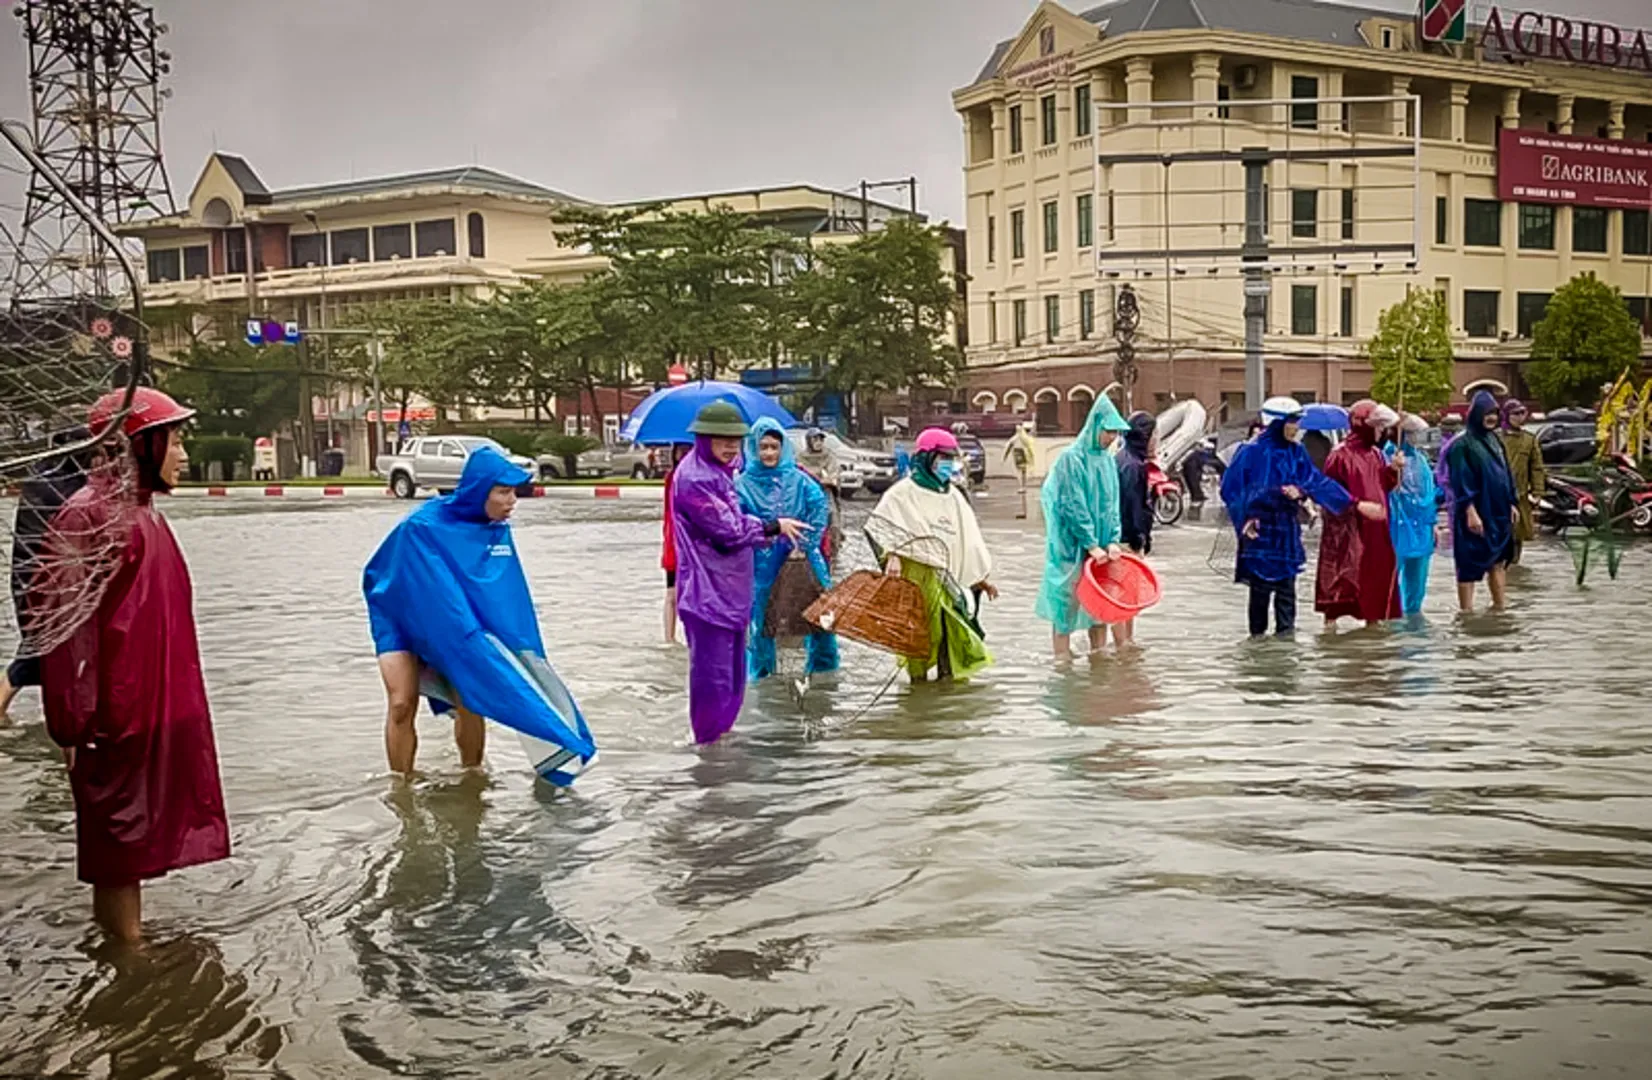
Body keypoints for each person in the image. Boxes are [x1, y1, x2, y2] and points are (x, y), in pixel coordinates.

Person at [38, 388, 228, 943]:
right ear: (141, 444)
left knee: (139, 835)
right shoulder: (87, 517)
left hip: (155, 703)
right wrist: (73, 721)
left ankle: (132, 951)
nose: (184, 452)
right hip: (113, 716)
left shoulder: (145, 514)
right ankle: (125, 959)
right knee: (116, 846)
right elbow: (65, 630)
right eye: (174, 437)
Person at [363, 446, 596, 781]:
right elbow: (386, 577)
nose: (511, 500)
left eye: (515, 491)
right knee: (401, 703)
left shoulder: (496, 531)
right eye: (502, 491)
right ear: (477, 491)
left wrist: (519, 656)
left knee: (471, 697)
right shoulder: (421, 527)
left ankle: (472, 777)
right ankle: (402, 787)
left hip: (454, 621)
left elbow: (505, 598)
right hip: (398, 617)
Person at [672, 402, 807, 743]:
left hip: (729, 592)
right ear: (703, 439)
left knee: (733, 678)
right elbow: (728, 529)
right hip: (707, 595)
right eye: (722, 439)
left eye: (736, 440)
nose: (731, 446)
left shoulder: (720, 473)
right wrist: (773, 526)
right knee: (713, 681)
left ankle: (721, 746)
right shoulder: (695, 478)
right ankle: (708, 751)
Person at [867, 428, 997, 682]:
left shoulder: (954, 496)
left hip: (950, 581)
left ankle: (945, 703)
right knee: (920, 634)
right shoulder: (901, 493)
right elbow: (881, 529)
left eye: (951, 458)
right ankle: (920, 696)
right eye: (943, 458)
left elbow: (967, 542)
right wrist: (892, 556)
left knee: (953, 636)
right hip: (916, 575)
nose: (948, 464)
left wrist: (979, 577)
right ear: (927, 458)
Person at [1220, 397, 1353, 637]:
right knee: (1259, 600)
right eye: (1292, 422)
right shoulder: (1250, 452)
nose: (1297, 428)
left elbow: (1313, 479)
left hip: (1287, 532)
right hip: (1260, 535)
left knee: (1286, 598)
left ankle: (1286, 653)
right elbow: (1231, 489)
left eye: (1298, 422)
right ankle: (1258, 651)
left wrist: (1342, 501)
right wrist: (1248, 515)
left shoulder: (1297, 452)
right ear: (1277, 423)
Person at [735, 418, 839, 681]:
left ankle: (824, 671)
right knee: (762, 622)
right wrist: (767, 533)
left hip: (804, 558)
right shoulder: (742, 484)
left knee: (821, 615)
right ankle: (762, 676)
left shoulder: (799, 479)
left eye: (774, 446)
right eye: (763, 447)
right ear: (753, 449)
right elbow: (738, 522)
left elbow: (820, 508)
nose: (769, 453)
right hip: (763, 563)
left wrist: (805, 543)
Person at [0, 427, 93, 718]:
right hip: (48, 587)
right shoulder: (64, 485)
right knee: (38, 658)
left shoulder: (45, 475)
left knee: (34, 656)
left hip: (33, 584)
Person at [1035, 396, 1131, 658]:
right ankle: (1062, 663)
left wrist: (1112, 539)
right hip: (1070, 546)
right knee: (1066, 605)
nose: (1112, 437)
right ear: (1095, 426)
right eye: (1108, 430)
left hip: (1102, 546)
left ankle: (1098, 659)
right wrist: (1089, 543)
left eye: (1116, 432)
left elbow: (1112, 505)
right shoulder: (1071, 459)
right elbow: (1071, 504)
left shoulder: (1108, 462)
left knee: (1099, 607)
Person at [1315, 400, 1403, 628]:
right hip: (1348, 532)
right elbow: (1328, 494)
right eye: (1378, 426)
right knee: (1342, 582)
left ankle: (1373, 629)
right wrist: (1357, 505)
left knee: (1375, 582)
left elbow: (1383, 486)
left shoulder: (1376, 454)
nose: (1381, 431)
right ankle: (1331, 629)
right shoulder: (1339, 455)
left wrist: (1392, 472)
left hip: (1376, 530)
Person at [1446, 391, 1518, 613]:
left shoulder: (1495, 440)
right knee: (1469, 563)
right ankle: (1466, 612)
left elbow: (1507, 473)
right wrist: (1470, 511)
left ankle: (1499, 607)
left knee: (1499, 561)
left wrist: (1512, 503)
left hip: (1499, 511)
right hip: (1475, 512)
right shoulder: (1461, 445)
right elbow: (1460, 481)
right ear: (1476, 414)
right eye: (1487, 413)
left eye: (1495, 413)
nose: (1492, 418)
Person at [1387, 413, 1440, 618]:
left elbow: (1428, 493)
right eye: (1414, 433)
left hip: (1421, 526)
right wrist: (1393, 473)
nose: (1419, 437)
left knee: (1418, 579)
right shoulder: (1389, 456)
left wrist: (1432, 523)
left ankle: (1414, 618)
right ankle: (1392, 619)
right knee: (1391, 577)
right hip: (1396, 526)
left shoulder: (1421, 459)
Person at [1499, 398, 1545, 565]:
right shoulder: (1496, 438)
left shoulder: (1529, 440)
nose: (1520, 417)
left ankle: (1514, 568)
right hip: (1497, 495)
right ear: (1506, 415)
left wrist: (1538, 492)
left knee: (1518, 535)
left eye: (1522, 413)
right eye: (1515, 413)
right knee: (1499, 535)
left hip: (1521, 495)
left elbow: (1537, 468)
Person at [794, 428, 843, 564]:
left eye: (821, 439)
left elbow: (833, 476)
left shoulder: (829, 456)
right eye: (815, 439)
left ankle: (832, 551)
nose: (819, 442)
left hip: (826, 494)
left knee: (832, 520)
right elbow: (797, 476)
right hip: (807, 497)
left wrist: (822, 479)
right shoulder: (800, 458)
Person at [660, 443, 691, 643]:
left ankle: (691, 637)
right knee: (671, 593)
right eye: (680, 450)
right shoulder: (672, 478)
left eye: (688, 450)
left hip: (691, 545)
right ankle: (669, 639)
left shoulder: (698, 478)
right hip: (673, 544)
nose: (683, 454)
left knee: (691, 594)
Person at [1004, 422, 1039, 519]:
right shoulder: (1022, 438)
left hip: (1021, 456)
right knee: (1021, 472)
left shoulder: (1022, 438)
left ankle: (1023, 486)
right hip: (1020, 456)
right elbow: (1010, 445)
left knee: (1022, 472)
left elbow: (1010, 445)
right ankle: (1022, 486)